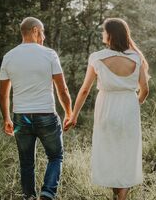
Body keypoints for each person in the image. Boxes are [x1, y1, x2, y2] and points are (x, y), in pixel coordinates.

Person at [64, 18, 150, 200]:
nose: (102, 34)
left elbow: (85, 89)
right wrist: (135, 104)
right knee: (127, 152)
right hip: (129, 107)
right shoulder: (136, 57)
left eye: (104, 31)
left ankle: (115, 188)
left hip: (106, 108)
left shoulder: (96, 57)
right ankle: (122, 195)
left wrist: (74, 116)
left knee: (109, 149)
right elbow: (145, 89)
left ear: (110, 35)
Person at [0, 17, 72, 200]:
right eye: (42, 31)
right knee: (55, 157)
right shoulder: (49, 54)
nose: (44, 36)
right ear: (34, 30)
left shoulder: (9, 56)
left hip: (20, 117)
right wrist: (69, 112)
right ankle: (47, 193)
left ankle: (29, 197)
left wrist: (7, 118)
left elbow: (4, 94)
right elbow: (62, 89)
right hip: (46, 115)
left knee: (26, 162)